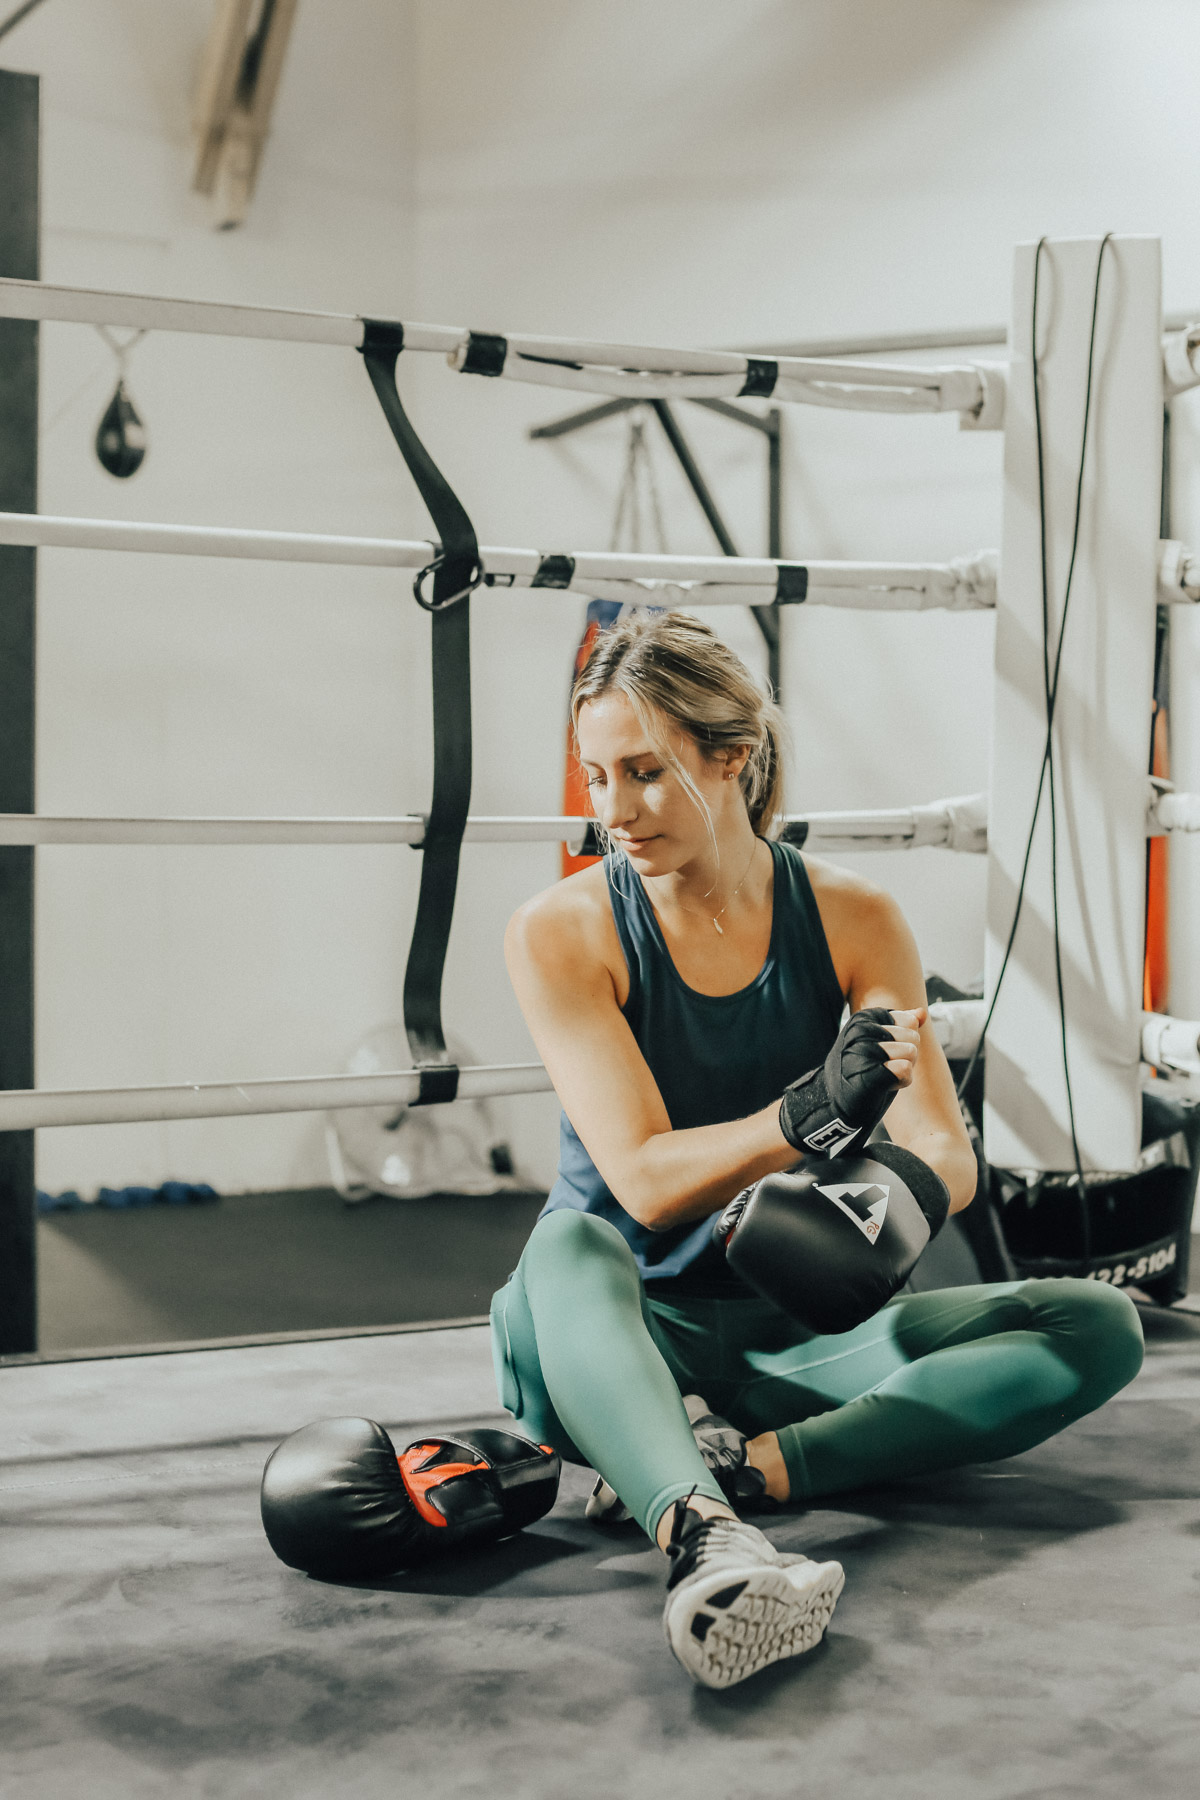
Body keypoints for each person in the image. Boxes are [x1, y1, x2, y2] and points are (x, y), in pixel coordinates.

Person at [493, 610, 1143, 1690]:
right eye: (596, 776)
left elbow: (946, 1143)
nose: (612, 813)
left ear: (732, 758)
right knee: (564, 1252)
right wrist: (802, 1119)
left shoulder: (851, 915)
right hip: (607, 1334)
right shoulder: (561, 930)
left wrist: (873, 1214)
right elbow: (646, 1184)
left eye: (645, 773)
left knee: (1093, 1325)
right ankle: (705, 1539)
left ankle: (748, 1472)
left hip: (781, 1338)